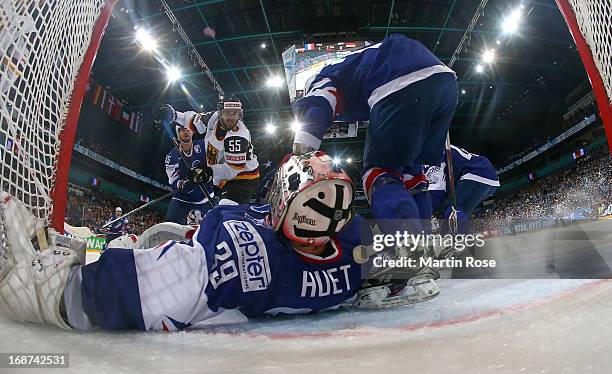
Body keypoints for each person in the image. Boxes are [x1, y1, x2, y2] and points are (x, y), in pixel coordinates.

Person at [0, 152, 438, 331]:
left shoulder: (256, 261)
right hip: (203, 234)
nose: (326, 215)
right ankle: (83, 249)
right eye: (317, 201)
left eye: (332, 204)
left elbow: (154, 289)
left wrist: (59, 296)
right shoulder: (345, 239)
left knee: (167, 259)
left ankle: (62, 279)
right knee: (150, 243)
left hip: (204, 257)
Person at [291, 34, 458, 229]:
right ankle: (423, 240)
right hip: (446, 82)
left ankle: (405, 242)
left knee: (379, 172)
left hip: (399, 81)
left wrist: (299, 157)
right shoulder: (358, 62)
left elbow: (317, 107)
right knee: (412, 173)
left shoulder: (323, 77)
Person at [159, 96, 260, 204]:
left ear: (239, 114)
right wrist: (174, 115)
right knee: (219, 213)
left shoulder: (238, 137)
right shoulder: (213, 118)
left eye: (234, 113)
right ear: (220, 112)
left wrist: (208, 171)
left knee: (226, 210)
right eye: (227, 112)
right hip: (222, 178)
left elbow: (233, 169)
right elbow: (191, 120)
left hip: (243, 177)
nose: (231, 117)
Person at [164, 123, 214, 225]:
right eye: (182, 130)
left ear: (192, 131)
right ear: (178, 134)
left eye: (188, 129)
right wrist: (183, 184)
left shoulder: (204, 146)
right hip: (182, 198)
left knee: (214, 228)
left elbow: (216, 164)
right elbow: (173, 181)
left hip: (205, 196)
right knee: (170, 227)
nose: (186, 132)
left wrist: (207, 173)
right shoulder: (171, 157)